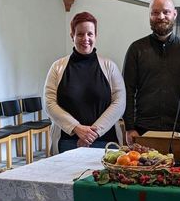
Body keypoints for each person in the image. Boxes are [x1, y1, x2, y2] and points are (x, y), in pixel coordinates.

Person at [123, 0, 180, 145]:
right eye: (155, 12)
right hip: (142, 131)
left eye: (166, 12)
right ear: (149, 16)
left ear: (175, 13)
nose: (161, 16)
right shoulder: (136, 49)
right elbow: (127, 90)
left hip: (179, 131)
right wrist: (129, 127)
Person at [44, 12, 125, 154]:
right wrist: (76, 128)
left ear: (96, 36)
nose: (85, 39)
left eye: (90, 34)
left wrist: (92, 133)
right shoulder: (57, 67)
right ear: (72, 36)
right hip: (68, 142)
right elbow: (49, 104)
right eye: (80, 34)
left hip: (105, 142)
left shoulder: (109, 66)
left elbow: (119, 102)